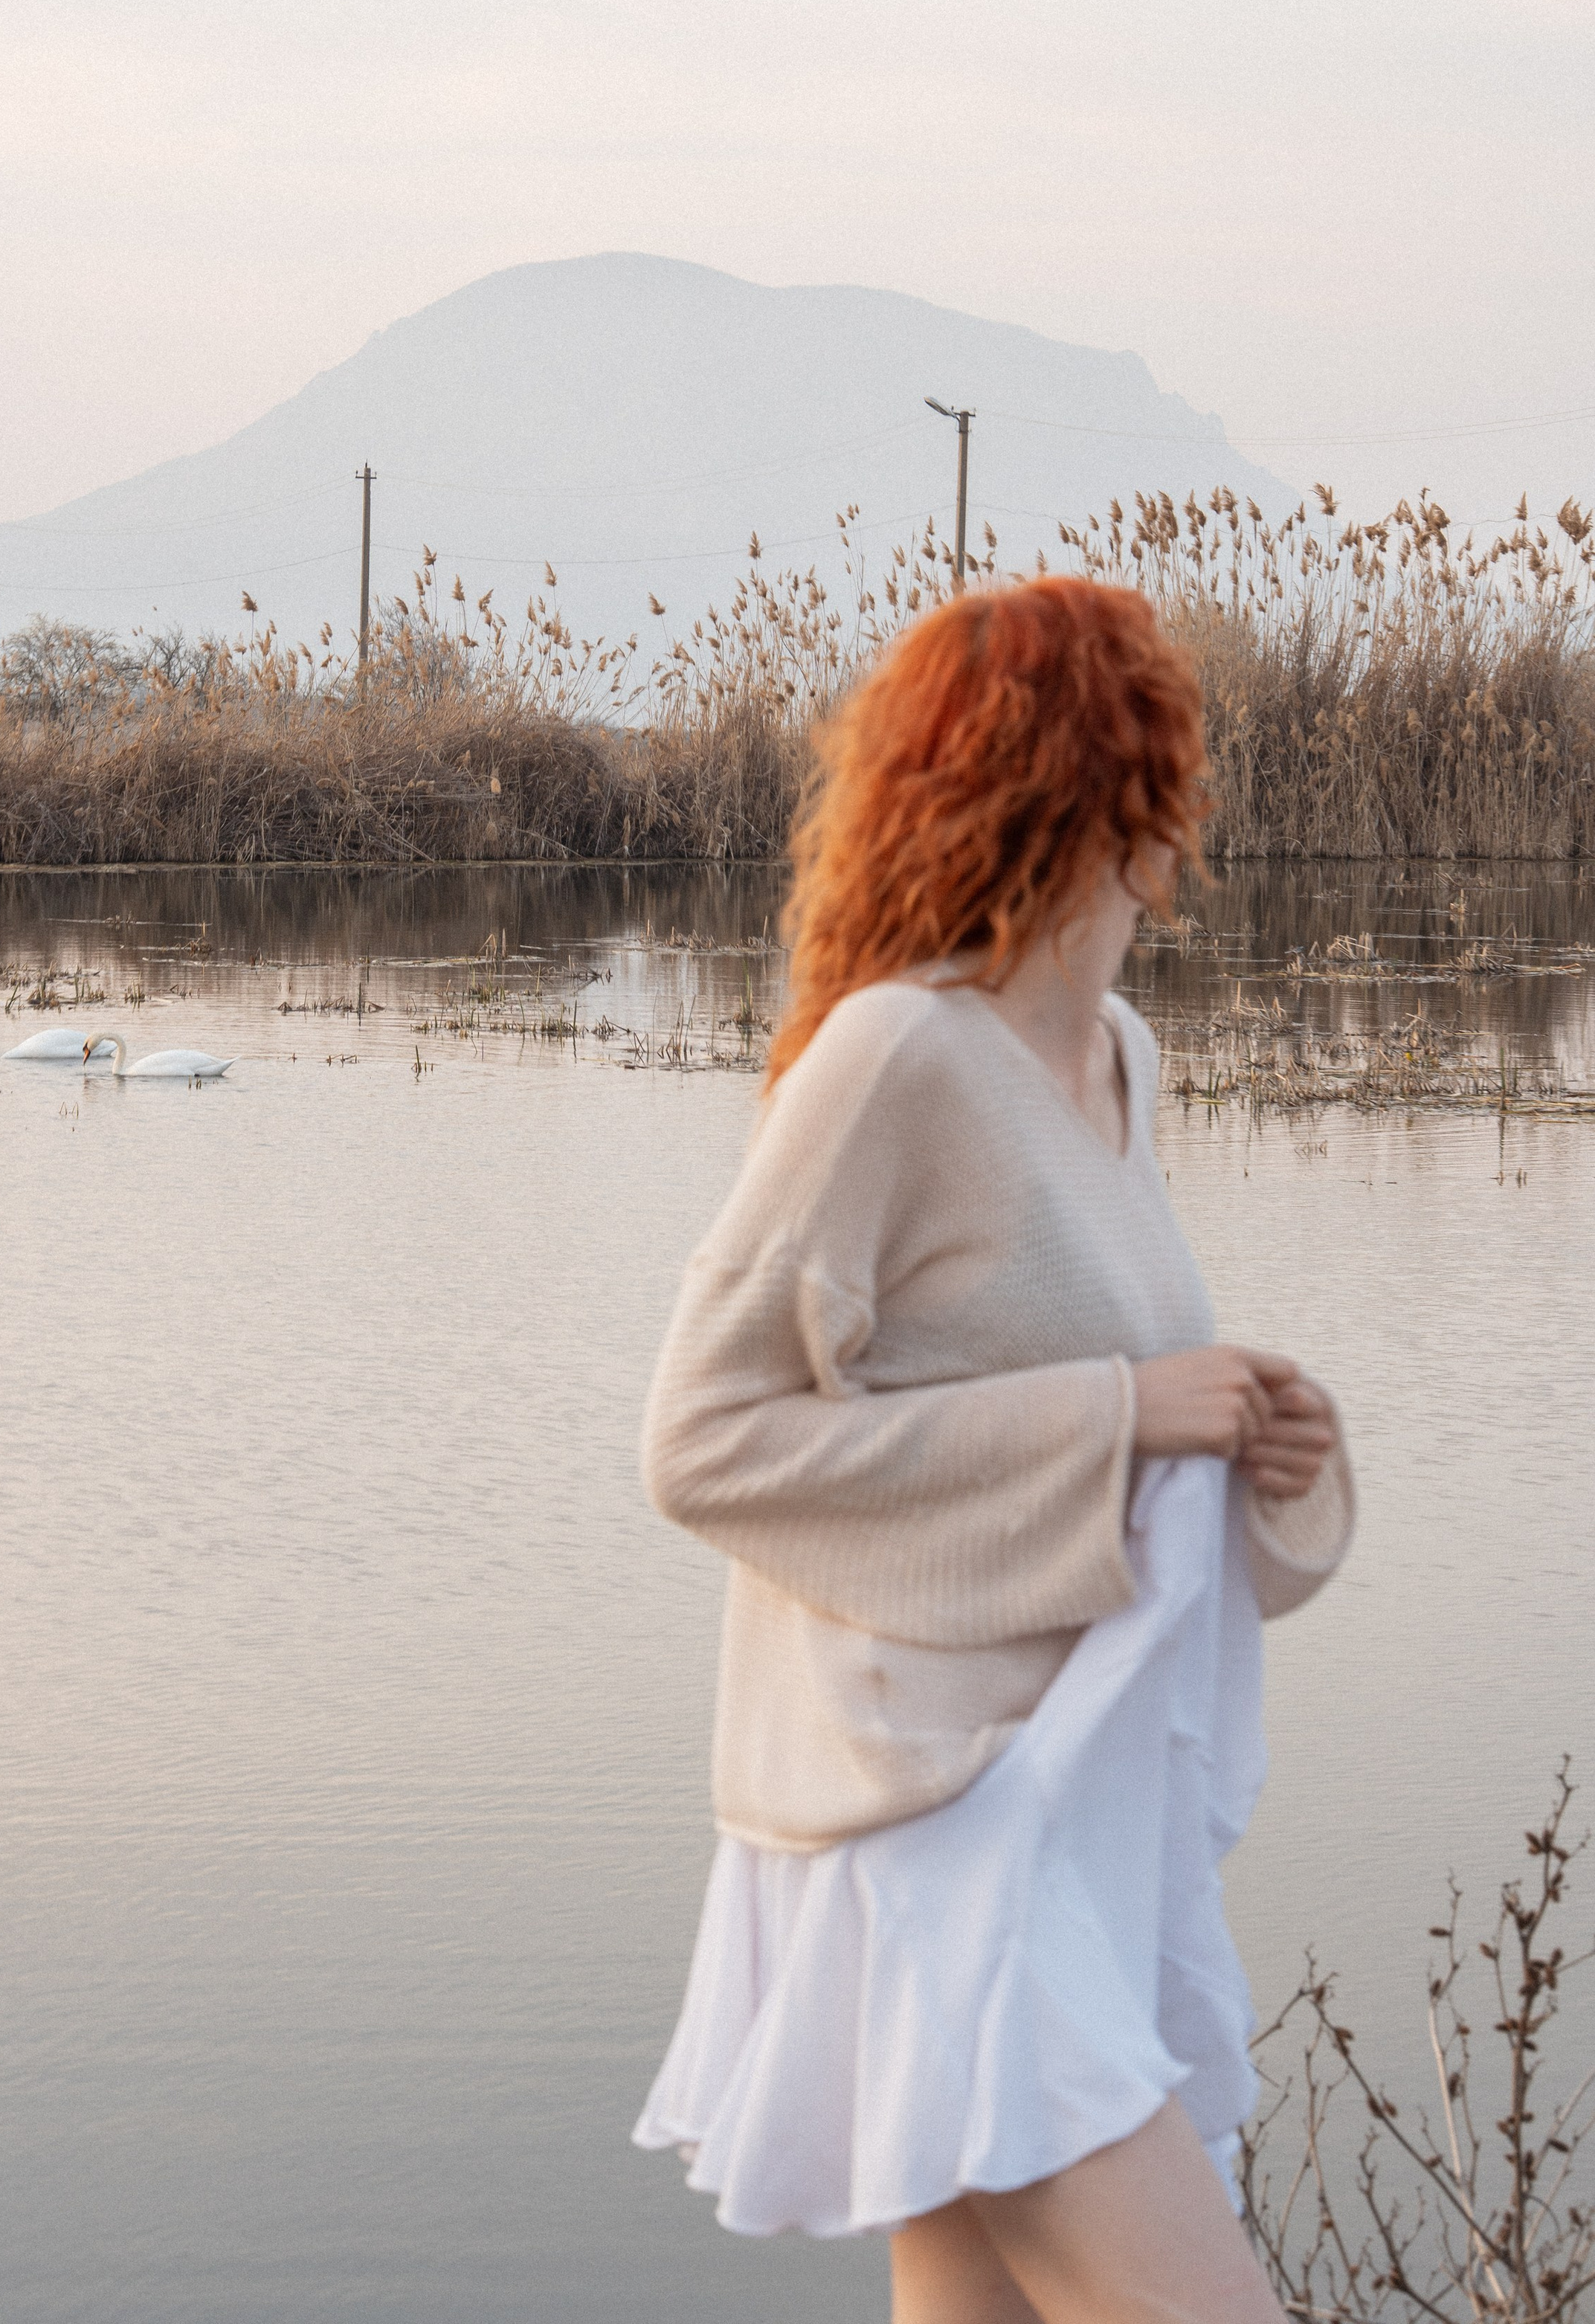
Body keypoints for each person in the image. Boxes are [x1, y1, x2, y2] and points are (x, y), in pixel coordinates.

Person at [633, 576, 1354, 2324]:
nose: (1166, 829)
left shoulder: (1122, 1058)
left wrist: (1268, 1443)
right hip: (926, 1829)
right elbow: (704, 1439)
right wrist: (1117, 1416)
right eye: (1149, 772)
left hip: (1065, 1809)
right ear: (1097, 789)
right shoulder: (893, 1056)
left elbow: (1110, 1412)